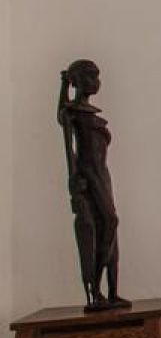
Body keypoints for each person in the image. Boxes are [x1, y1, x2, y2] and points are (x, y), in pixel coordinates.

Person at [58, 59, 130, 312]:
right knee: (109, 221)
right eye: (89, 77)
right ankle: (94, 289)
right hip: (89, 173)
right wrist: (73, 178)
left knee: (111, 230)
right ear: (77, 81)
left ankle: (112, 292)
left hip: (103, 174)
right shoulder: (72, 113)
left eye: (97, 77)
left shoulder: (90, 113)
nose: (95, 82)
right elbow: (69, 150)